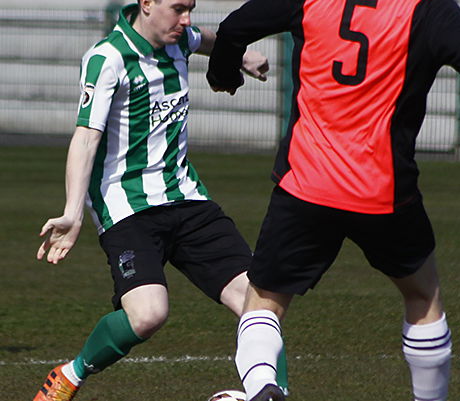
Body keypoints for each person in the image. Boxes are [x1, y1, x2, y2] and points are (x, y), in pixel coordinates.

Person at [206, 0, 460, 400]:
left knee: (265, 302)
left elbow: (235, 27)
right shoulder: (426, 8)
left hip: (306, 182)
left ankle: (261, 389)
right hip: (380, 190)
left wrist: (223, 73)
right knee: (422, 293)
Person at [32, 1, 289, 400]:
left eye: (190, 8)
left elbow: (204, 38)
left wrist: (239, 55)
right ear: (146, 3)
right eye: (177, 8)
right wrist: (73, 212)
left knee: (261, 304)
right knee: (148, 314)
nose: (186, 19)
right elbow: (85, 137)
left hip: (187, 198)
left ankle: (273, 394)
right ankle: (71, 374)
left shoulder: (179, 39)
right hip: (127, 206)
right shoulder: (107, 59)